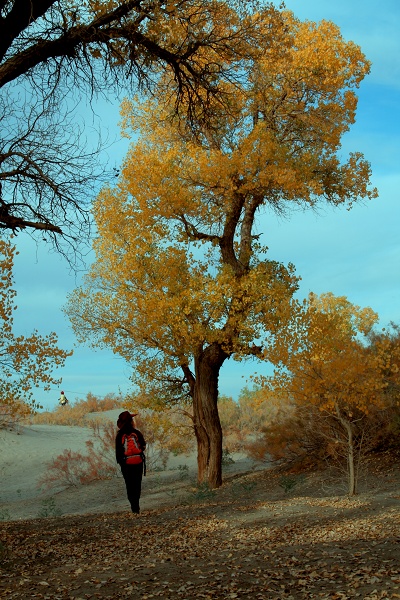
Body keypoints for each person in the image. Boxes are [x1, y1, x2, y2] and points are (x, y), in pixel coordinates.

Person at [115, 410, 146, 514]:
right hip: (138, 462)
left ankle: (134, 508)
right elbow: (143, 446)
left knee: (129, 485)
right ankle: (136, 507)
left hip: (126, 465)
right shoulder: (137, 433)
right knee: (137, 484)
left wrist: (122, 463)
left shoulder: (120, 435)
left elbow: (118, 452)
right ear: (131, 421)